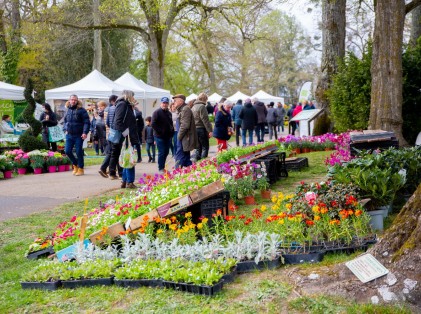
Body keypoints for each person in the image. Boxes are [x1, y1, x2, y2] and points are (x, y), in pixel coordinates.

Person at [108, 90, 139, 182]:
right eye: (133, 96)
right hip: (123, 135)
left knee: (123, 156)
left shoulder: (127, 105)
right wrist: (126, 133)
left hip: (126, 135)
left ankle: (124, 179)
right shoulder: (122, 104)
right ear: (128, 96)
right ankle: (120, 176)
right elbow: (118, 121)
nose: (134, 98)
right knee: (123, 156)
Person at [63, 94, 90, 176]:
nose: (73, 101)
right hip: (69, 135)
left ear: (77, 100)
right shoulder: (67, 110)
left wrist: (85, 132)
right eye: (72, 99)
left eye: (75, 100)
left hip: (79, 135)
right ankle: (75, 165)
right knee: (67, 151)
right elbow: (65, 122)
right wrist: (65, 129)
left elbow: (86, 122)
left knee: (78, 151)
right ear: (69, 100)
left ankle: (81, 168)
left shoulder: (82, 110)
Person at [98, 95, 121, 178]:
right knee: (114, 153)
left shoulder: (108, 109)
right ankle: (109, 170)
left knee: (112, 152)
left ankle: (110, 171)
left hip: (109, 133)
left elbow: (107, 122)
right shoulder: (116, 108)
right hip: (115, 133)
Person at [173, 94, 198, 168]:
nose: (174, 102)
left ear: (181, 101)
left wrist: (179, 137)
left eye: (175, 101)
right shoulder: (181, 109)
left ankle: (177, 174)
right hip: (182, 137)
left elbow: (184, 126)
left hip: (184, 137)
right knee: (186, 158)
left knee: (180, 157)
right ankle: (191, 172)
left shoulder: (185, 109)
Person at [120, 99, 140, 189]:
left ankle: (124, 180)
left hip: (128, 137)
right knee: (130, 160)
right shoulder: (128, 111)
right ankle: (130, 181)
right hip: (129, 138)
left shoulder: (129, 110)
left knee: (126, 159)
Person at [151, 96, 174, 173]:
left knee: (166, 151)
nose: (165, 104)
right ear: (161, 103)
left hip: (167, 136)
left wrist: (172, 131)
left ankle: (163, 167)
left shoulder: (169, 113)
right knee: (162, 151)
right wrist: (160, 131)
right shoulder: (156, 112)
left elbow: (170, 123)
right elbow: (153, 123)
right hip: (159, 136)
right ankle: (160, 168)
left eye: (166, 103)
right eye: (163, 103)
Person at [192, 93, 213, 161]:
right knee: (205, 147)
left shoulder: (193, 107)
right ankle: (203, 163)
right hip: (201, 129)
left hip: (194, 129)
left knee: (198, 148)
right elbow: (205, 120)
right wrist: (210, 130)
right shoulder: (202, 106)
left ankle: (197, 162)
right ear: (205, 99)